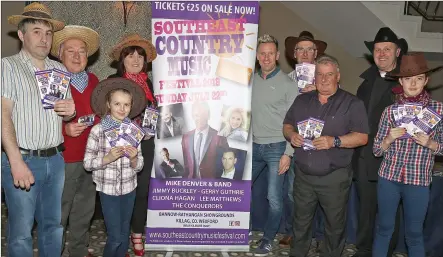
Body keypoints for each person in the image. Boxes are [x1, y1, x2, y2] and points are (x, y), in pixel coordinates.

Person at [1, 3, 76, 256]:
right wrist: (15, 161)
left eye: (48, 33)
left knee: (53, 227)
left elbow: (66, 114)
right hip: (23, 158)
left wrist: (71, 111)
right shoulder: (8, 66)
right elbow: (3, 114)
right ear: (21, 35)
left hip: (55, 159)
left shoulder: (60, 69)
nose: (44, 39)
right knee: (21, 233)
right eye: (36, 31)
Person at [283, 54, 369, 257]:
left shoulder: (352, 103)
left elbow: (362, 137)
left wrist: (335, 141)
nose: (324, 79)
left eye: (329, 74)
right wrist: (292, 135)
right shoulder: (302, 100)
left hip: (335, 178)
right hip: (303, 176)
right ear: (314, 77)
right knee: (300, 223)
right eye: (320, 74)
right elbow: (287, 124)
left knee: (334, 226)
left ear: (338, 76)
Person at [372, 52, 443, 257]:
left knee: (414, 234)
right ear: (401, 81)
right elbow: (377, 150)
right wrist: (387, 139)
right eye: (408, 79)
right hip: (389, 178)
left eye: (419, 78)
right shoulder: (389, 111)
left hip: (418, 181)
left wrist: (431, 144)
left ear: (426, 80)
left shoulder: (438, 110)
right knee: (384, 230)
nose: (413, 83)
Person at [352, 27, 408, 257]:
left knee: (389, 211)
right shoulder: (365, 83)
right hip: (365, 157)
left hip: (393, 158)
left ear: (397, 52)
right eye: (377, 49)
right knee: (365, 208)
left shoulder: (407, 82)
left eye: (387, 49)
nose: (382, 53)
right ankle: (364, 249)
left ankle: (386, 252)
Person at [51, 25, 100, 257]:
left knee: (84, 210)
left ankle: (79, 251)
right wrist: (64, 129)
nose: (77, 56)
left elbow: (101, 114)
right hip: (64, 157)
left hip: (91, 157)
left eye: (81, 51)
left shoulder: (94, 80)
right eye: (70, 51)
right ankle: (55, 251)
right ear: (59, 54)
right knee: (60, 211)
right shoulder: (53, 80)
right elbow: (39, 120)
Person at [84, 78, 146, 257]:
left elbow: (139, 165)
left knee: (124, 233)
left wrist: (134, 159)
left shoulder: (133, 131)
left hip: (129, 189)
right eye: (117, 103)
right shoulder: (98, 130)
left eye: (126, 104)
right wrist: (107, 158)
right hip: (108, 190)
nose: (122, 108)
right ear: (108, 104)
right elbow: (87, 164)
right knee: (115, 236)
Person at [108, 33, 157, 256]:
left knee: (142, 192)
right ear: (123, 59)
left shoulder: (150, 84)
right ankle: (118, 238)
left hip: (145, 146)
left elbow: (156, 114)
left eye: (140, 56)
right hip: (119, 146)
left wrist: (151, 128)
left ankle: (137, 234)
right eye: (130, 55)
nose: (136, 60)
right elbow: (104, 116)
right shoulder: (112, 82)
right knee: (120, 193)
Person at [250, 34, 297, 256]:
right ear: (257, 57)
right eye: (262, 53)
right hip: (252, 146)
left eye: (271, 53)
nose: (266, 57)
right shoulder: (251, 80)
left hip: (277, 147)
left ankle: (268, 239)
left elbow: (294, 121)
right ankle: (238, 229)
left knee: (274, 198)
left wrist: (289, 153)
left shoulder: (288, 84)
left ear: (277, 56)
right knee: (237, 189)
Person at [282, 30, 328, 248]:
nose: (306, 53)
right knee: (293, 192)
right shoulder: (285, 80)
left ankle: (319, 235)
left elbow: (340, 108)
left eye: (310, 49)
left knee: (320, 194)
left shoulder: (326, 79)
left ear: (316, 53)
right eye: (301, 49)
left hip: (320, 145)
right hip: (295, 143)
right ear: (294, 54)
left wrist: (319, 92)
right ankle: (296, 232)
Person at [182, 101, 229, 179]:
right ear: (192, 116)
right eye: (197, 115)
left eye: (203, 114)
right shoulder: (185, 137)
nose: (200, 118)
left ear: (209, 115)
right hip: (190, 186)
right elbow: (185, 164)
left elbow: (226, 164)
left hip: (212, 186)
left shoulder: (220, 137)